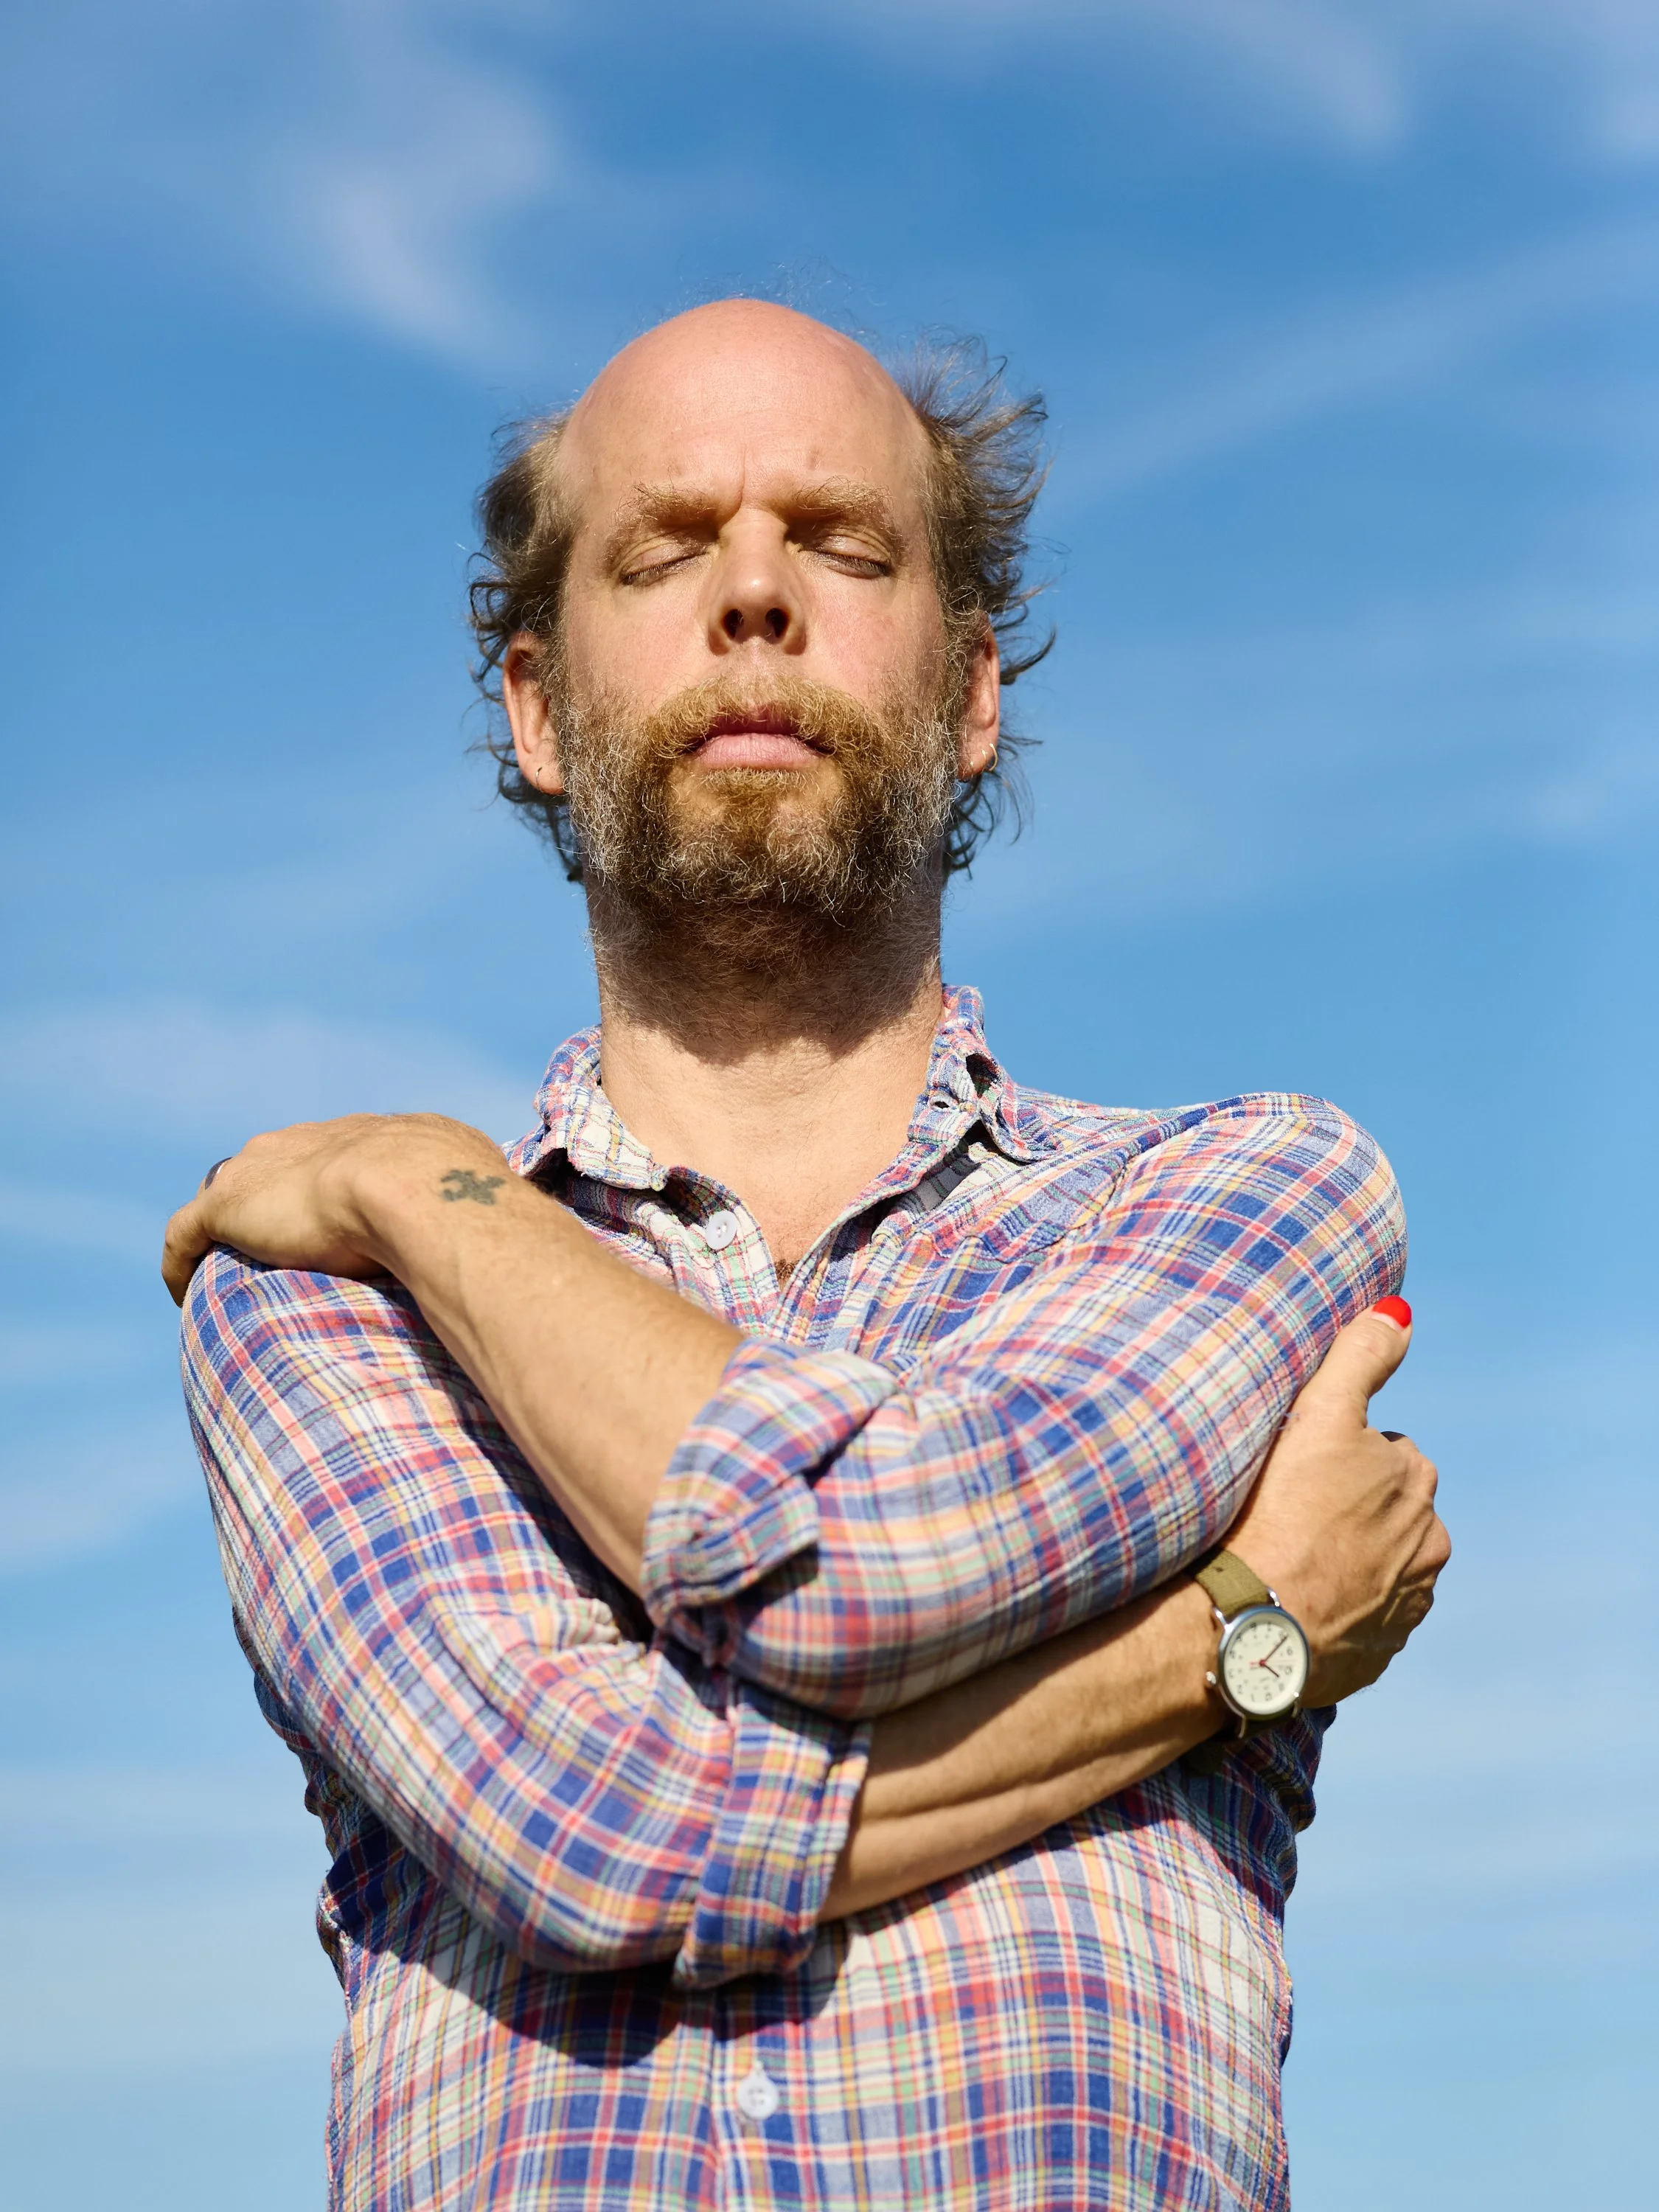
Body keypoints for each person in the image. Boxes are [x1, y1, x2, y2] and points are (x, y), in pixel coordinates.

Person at [163, 300, 1448, 2212]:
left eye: (843, 546)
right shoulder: (323, 1294)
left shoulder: (1247, 1190)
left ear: (971, 693)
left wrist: (427, 1187)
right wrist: (1231, 1641)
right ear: (533, 703)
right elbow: (586, 1829)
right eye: (665, 548)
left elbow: (864, 1564)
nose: (754, 595)